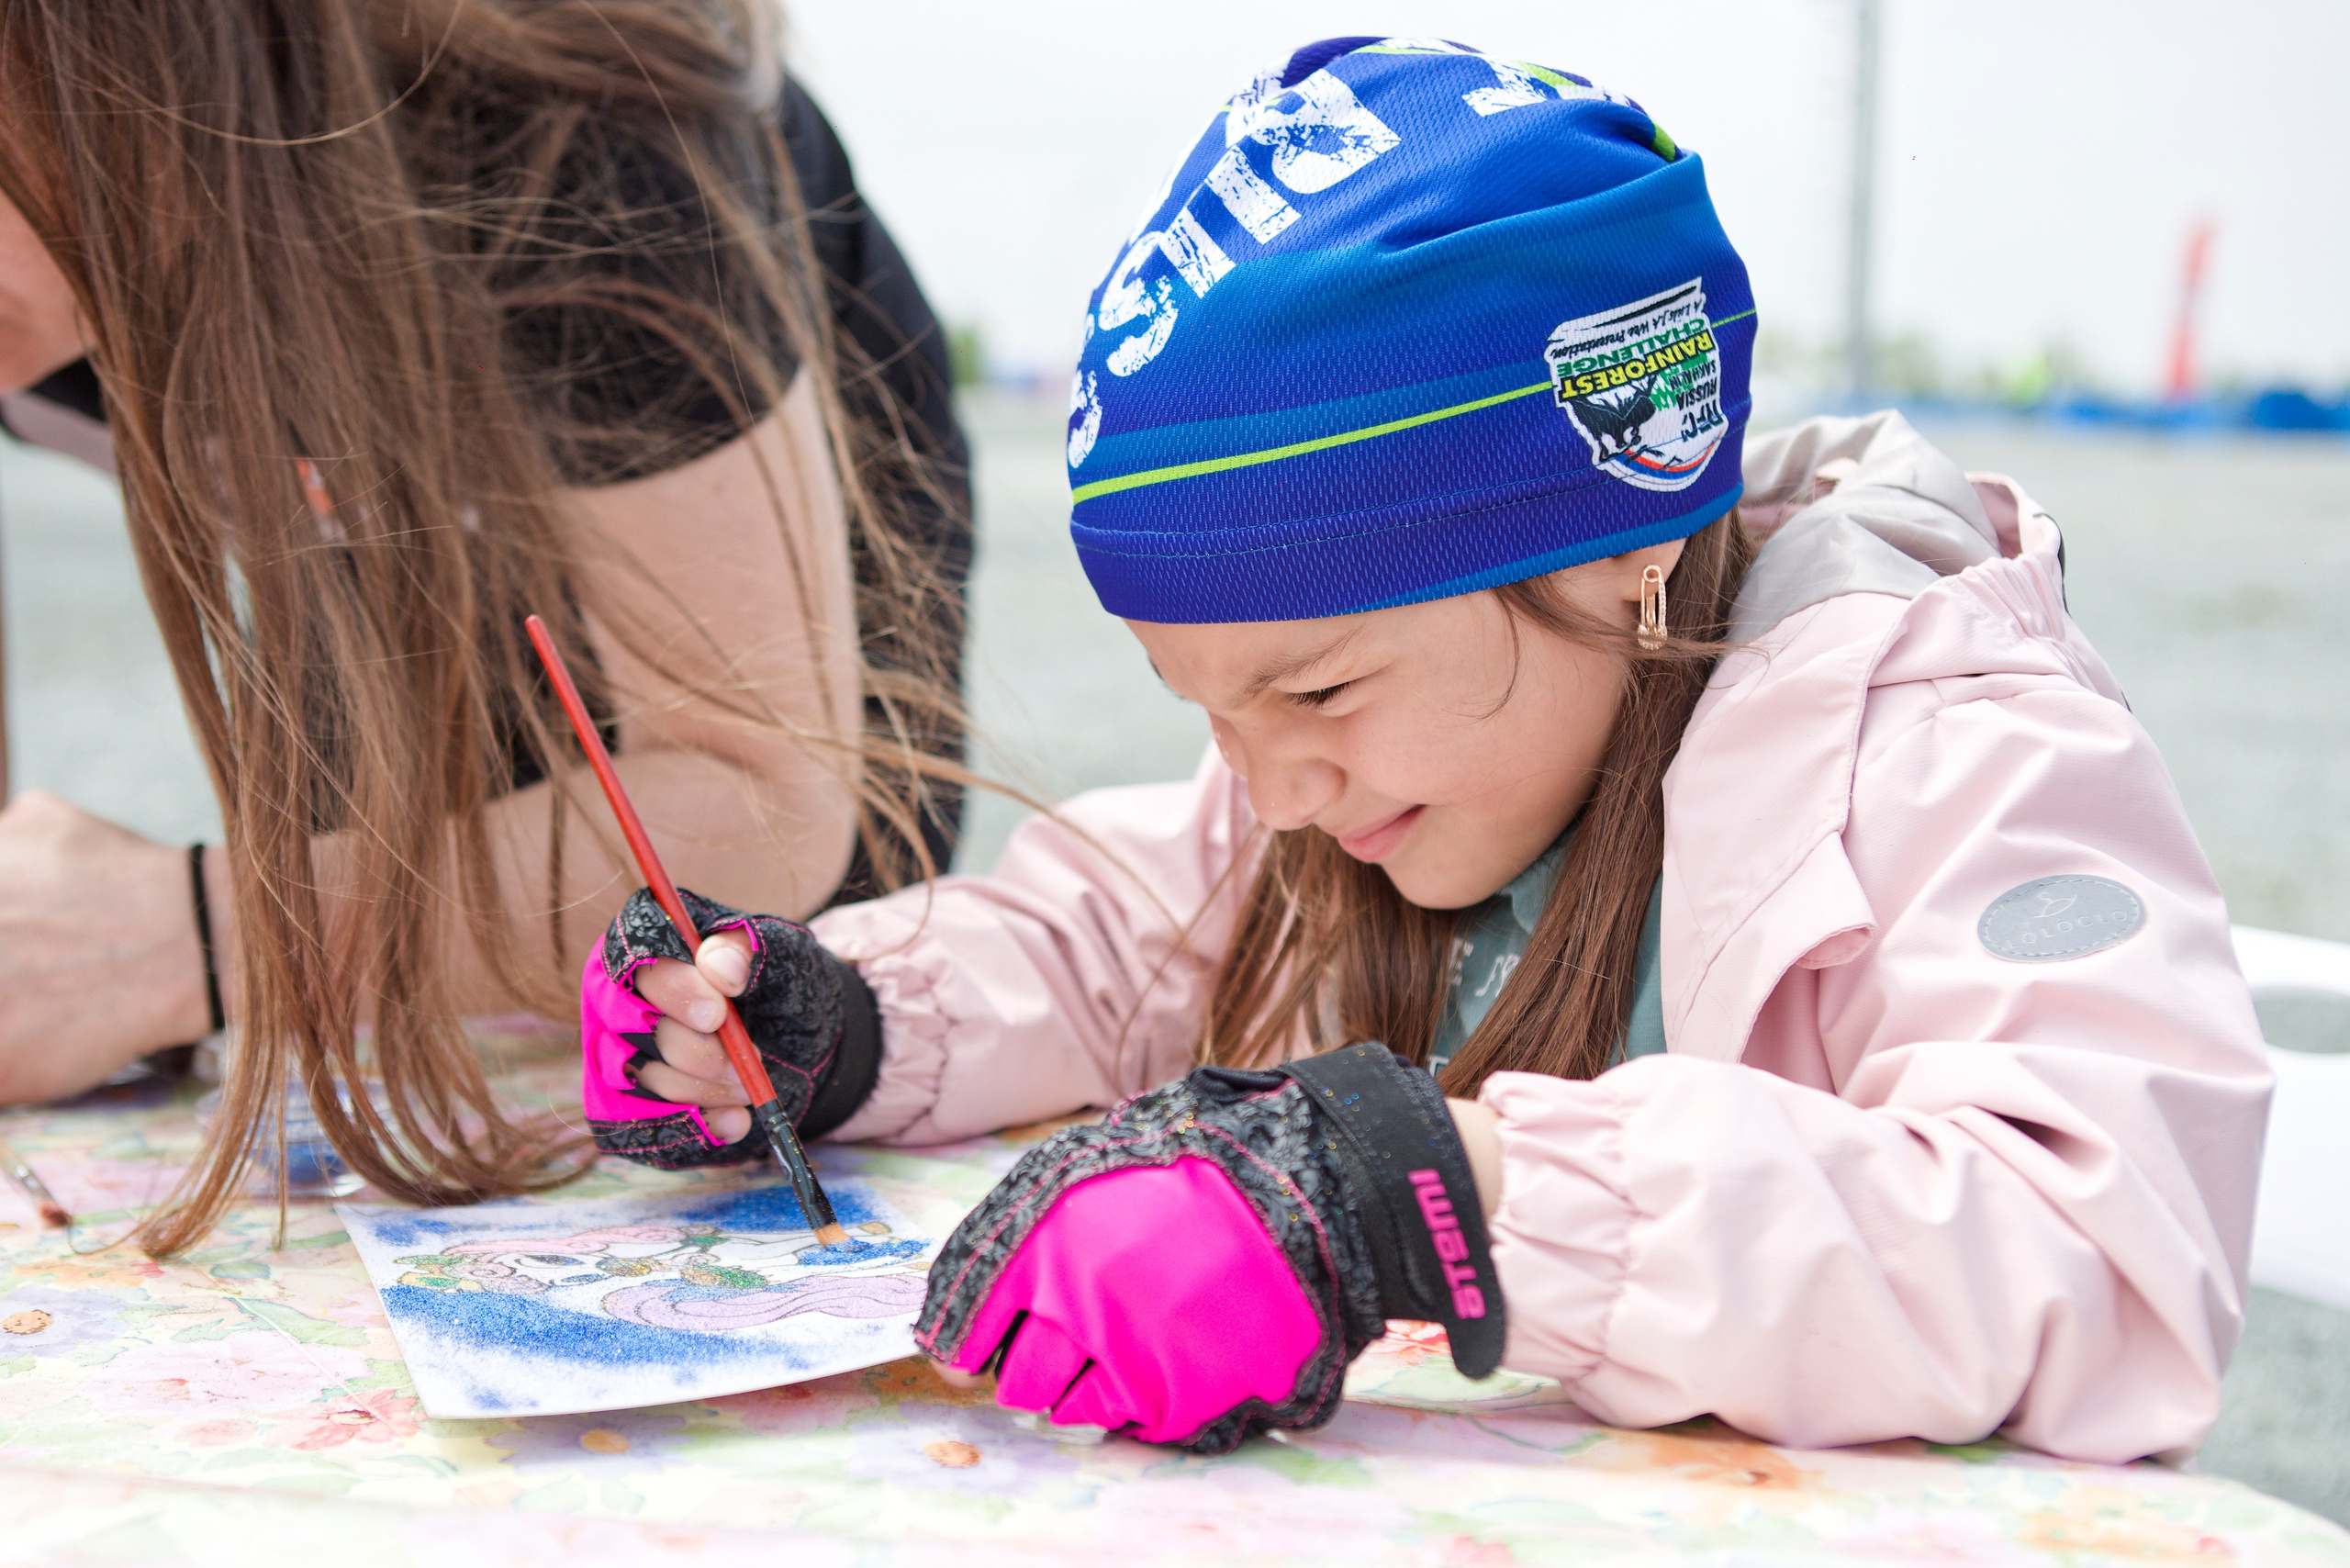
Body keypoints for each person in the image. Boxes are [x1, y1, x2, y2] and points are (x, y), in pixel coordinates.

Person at [582, 39, 2270, 1462]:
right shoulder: (1366, 781)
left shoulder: (1960, 754)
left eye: (1316, 694)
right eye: (1209, 711)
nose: (1269, 791)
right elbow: (1105, 947)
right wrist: (841, 1022)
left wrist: (1429, 1197)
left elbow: (2101, 1248)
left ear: (1622, 536)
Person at [0, 0, 970, 1253]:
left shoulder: (558, 114)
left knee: (737, 1040)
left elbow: (766, 802)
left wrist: (192, 935)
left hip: (769, 689)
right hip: (366, 562)